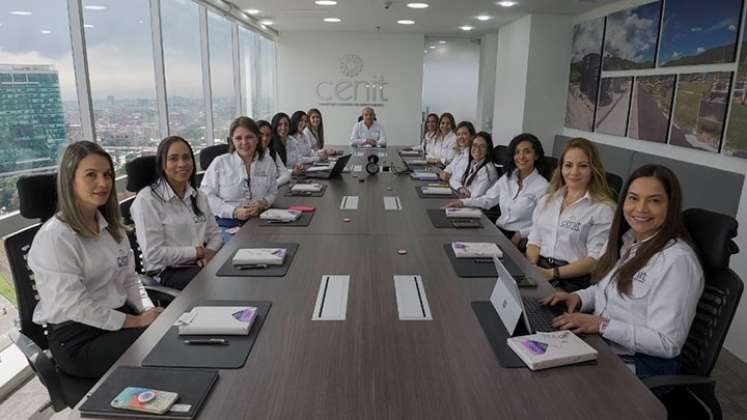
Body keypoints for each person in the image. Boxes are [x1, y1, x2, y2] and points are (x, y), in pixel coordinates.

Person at [542, 164, 703, 378]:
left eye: (654, 201)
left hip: (642, 364)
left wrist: (602, 325)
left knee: (552, 380)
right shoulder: (631, 242)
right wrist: (578, 298)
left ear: (671, 206)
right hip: (607, 345)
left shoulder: (677, 261)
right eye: (633, 198)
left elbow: (667, 343)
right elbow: (604, 289)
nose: (640, 209)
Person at [28, 141, 162, 378]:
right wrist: (135, 321)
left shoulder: (112, 229)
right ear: (70, 180)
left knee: (167, 329)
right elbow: (76, 307)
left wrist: (148, 311)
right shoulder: (55, 238)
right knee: (162, 347)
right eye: (91, 175)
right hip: (79, 338)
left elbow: (130, 279)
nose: (103, 183)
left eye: (107, 175)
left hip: (119, 319)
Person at [131, 136, 223, 290]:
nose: (182, 164)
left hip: (199, 264)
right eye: (173, 158)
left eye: (186, 157)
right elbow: (153, 253)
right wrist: (197, 253)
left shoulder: (198, 196)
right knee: (221, 284)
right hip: (167, 272)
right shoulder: (147, 200)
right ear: (162, 164)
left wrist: (209, 253)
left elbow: (215, 234)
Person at [526, 137, 616, 292]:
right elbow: (534, 241)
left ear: (593, 170)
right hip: (541, 269)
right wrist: (533, 269)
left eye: (583, 166)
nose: (574, 172)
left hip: (573, 280)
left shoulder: (603, 209)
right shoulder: (547, 200)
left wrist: (552, 273)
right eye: (568, 165)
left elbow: (595, 260)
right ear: (561, 168)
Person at [445, 133, 550, 248]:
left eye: (527, 152)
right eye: (517, 152)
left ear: (536, 155)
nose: (521, 157)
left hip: (521, 240)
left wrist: (521, 233)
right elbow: (488, 200)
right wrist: (462, 203)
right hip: (498, 231)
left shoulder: (543, 187)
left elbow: (544, 223)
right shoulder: (508, 178)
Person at [201, 116, 278, 240]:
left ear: (257, 139)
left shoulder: (267, 162)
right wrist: (234, 211)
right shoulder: (220, 163)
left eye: (249, 137)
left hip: (260, 221)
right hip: (227, 224)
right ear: (232, 141)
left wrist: (263, 203)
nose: (244, 142)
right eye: (238, 138)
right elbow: (206, 196)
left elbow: (273, 192)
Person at [446, 131, 498, 198]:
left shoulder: (487, 171)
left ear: (488, 150)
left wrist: (464, 193)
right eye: (475, 145)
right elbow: (453, 179)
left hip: (474, 206)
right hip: (464, 200)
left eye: (482, 146)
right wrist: (460, 188)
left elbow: (475, 197)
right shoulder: (473, 163)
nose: (477, 149)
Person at [258, 119, 291, 185]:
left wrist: (273, 185)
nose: (264, 138)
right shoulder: (250, 155)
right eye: (261, 135)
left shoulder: (272, 152)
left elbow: (286, 175)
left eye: (268, 135)